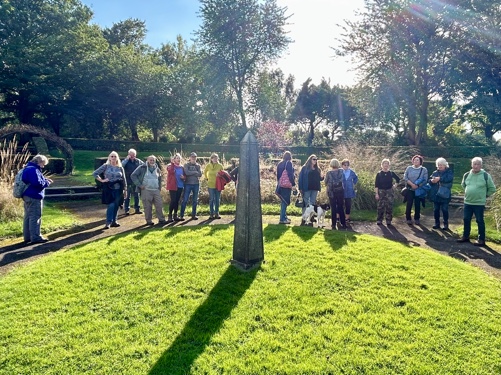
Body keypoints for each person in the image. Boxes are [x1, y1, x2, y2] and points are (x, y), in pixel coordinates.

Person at [457, 157, 496, 246]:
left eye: (478, 164)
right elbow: (463, 185)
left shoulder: (486, 175)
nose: (476, 166)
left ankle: (481, 240)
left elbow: (492, 189)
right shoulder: (466, 175)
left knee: (479, 221)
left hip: (479, 203)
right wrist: (469, 192)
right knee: (466, 219)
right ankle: (465, 236)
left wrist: (484, 195)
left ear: (481, 165)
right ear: (472, 165)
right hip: (468, 202)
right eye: (474, 164)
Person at [21, 154, 53, 244]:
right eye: (43, 164)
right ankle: (35, 237)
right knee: (35, 216)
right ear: (39, 162)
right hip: (34, 196)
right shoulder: (33, 170)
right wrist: (46, 182)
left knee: (28, 217)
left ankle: (28, 237)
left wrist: (43, 179)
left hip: (27, 195)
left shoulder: (28, 168)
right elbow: (37, 183)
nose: (43, 166)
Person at [93, 151, 127, 229]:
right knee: (111, 205)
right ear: (109, 157)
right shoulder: (105, 166)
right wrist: (102, 180)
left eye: (115, 156)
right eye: (112, 156)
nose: (113, 158)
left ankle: (114, 221)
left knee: (117, 205)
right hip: (109, 188)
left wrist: (125, 190)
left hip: (119, 189)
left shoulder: (120, 167)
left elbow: (124, 180)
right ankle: (108, 222)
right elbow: (95, 173)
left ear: (117, 158)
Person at [131, 155, 166, 225]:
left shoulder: (157, 168)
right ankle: (149, 221)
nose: (152, 161)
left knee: (159, 205)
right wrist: (139, 185)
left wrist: (159, 187)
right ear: (147, 160)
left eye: (153, 160)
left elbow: (160, 178)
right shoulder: (142, 167)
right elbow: (133, 175)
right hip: (146, 190)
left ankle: (161, 219)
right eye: (150, 160)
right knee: (147, 206)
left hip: (156, 190)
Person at [298, 154, 324, 225]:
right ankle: (303, 219)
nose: (315, 161)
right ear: (310, 160)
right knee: (305, 204)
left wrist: (322, 177)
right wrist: (300, 188)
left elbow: (319, 179)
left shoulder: (317, 169)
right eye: (314, 159)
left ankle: (311, 219)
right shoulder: (304, 168)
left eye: (316, 159)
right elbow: (300, 178)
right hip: (307, 188)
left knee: (312, 204)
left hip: (315, 188)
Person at [428, 158, 454, 230]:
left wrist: (440, 179)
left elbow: (449, 179)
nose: (440, 166)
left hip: (445, 194)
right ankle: (437, 223)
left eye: (441, 165)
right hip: (436, 194)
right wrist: (432, 181)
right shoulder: (435, 172)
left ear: (445, 165)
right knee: (436, 209)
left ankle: (446, 224)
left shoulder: (449, 172)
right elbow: (429, 180)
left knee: (444, 209)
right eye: (439, 165)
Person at [403, 155, 428, 225]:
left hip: (418, 189)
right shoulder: (409, 168)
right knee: (409, 203)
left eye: (417, 160)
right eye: (414, 160)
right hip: (410, 189)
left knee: (417, 204)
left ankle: (417, 218)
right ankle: (408, 218)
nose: (416, 161)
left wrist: (417, 186)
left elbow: (425, 180)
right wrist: (412, 185)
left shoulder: (424, 169)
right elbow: (405, 177)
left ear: (420, 162)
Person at [374, 159, 400, 226]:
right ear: (382, 165)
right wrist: (376, 194)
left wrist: (395, 185)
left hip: (389, 191)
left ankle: (388, 220)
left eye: (387, 164)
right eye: (384, 164)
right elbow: (376, 185)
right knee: (380, 206)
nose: (385, 165)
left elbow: (398, 179)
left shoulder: (391, 173)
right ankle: (379, 219)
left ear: (389, 165)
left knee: (389, 206)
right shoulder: (379, 174)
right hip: (381, 191)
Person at [180, 152, 202, 220]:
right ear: (190, 157)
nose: (193, 158)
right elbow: (187, 173)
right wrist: (195, 172)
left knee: (195, 200)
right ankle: (181, 215)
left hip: (196, 184)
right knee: (185, 200)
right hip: (188, 184)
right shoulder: (186, 165)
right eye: (192, 157)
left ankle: (193, 215)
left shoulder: (198, 165)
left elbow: (200, 174)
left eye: (195, 157)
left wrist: (192, 173)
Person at [325, 158, 346, 229]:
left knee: (333, 208)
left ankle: (333, 224)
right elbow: (343, 179)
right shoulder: (341, 171)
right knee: (340, 207)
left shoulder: (328, 173)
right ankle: (343, 223)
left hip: (331, 192)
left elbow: (325, 182)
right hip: (340, 191)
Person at [276, 151, 296, 224]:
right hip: (286, 185)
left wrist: (278, 183)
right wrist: (293, 184)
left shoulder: (280, 164)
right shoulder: (289, 163)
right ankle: (282, 218)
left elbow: (278, 175)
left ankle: (284, 216)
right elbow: (290, 174)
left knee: (283, 201)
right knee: (285, 202)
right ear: (290, 157)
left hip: (280, 184)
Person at [122, 148, 144, 215]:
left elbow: (144, 166)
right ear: (128, 155)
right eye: (131, 155)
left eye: (134, 155)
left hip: (136, 181)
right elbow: (121, 166)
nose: (132, 157)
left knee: (136, 195)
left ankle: (137, 209)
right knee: (127, 196)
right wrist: (126, 159)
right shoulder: (125, 161)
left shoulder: (138, 161)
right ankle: (126, 210)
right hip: (127, 181)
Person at [166, 153, 186, 223]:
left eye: (179, 158)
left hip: (180, 186)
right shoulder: (170, 166)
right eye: (177, 158)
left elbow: (185, 176)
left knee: (177, 201)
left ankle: (175, 215)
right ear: (174, 159)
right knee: (173, 200)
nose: (178, 159)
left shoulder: (182, 167)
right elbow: (171, 172)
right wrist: (172, 163)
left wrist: (184, 177)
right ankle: (170, 215)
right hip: (173, 186)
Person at [204, 153, 224, 219]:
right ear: (211, 159)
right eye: (214, 158)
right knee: (211, 199)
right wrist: (207, 178)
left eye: (216, 158)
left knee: (217, 199)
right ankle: (211, 213)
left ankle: (217, 213)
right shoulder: (208, 165)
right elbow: (205, 172)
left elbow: (223, 175)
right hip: (211, 185)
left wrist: (220, 175)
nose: (215, 159)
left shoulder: (220, 166)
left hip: (218, 185)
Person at [341, 159, 358, 223]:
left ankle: (347, 218)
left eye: (347, 165)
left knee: (348, 204)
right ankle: (339, 217)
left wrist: (353, 183)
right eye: (345, 165)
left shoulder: (351, 172)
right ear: (342, 165)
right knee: (340, 204)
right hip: (341, 191)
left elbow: (356, 178)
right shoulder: (340, 172)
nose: (346, 166)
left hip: (349, 190)